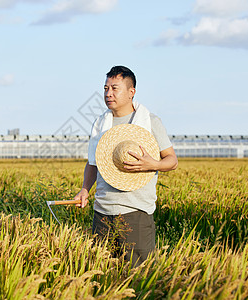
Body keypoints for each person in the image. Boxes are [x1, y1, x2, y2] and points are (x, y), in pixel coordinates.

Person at [74, 65, 178, 266]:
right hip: (102, 211)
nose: (108, 93)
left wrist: (152, 163)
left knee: (139, 275)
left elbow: (172, 160)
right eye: (105, 88)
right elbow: (93, 163)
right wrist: (85, 189)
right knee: (101, 272)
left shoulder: (150, 121)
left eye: (114, 88)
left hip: (135, 212)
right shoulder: (100, 123)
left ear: (132, 92)